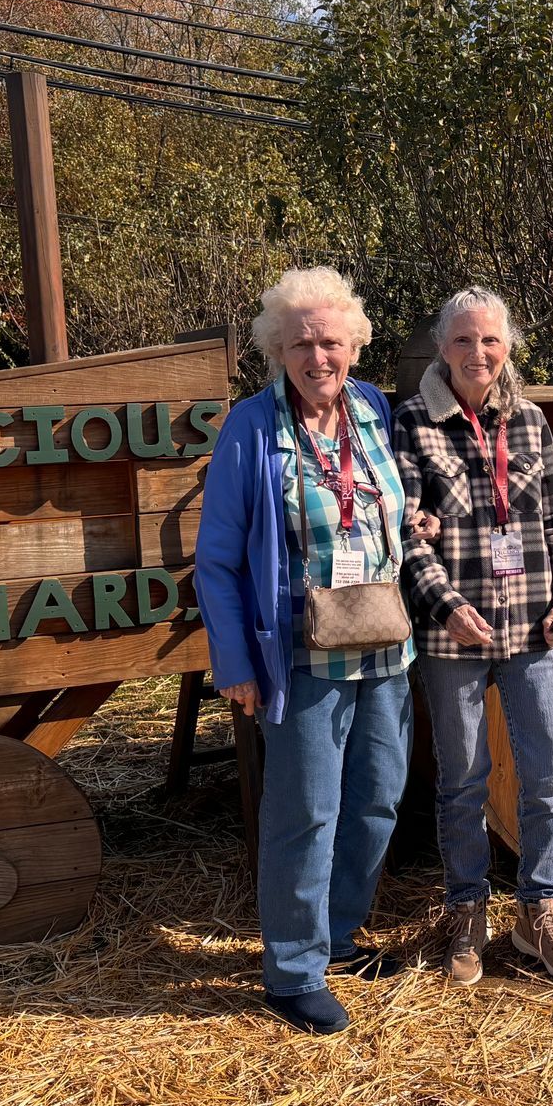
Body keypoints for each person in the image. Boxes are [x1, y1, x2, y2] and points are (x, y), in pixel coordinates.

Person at [196, 267, 412, 1035]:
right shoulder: (252, 429)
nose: (318, 358)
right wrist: (237, 666)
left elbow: (387, 501)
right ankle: (292, 970)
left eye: (330, 341)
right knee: (306, 813)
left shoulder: (375, 410)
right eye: (300, 345)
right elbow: (217, 561)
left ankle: (341, 936)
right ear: (277, 352)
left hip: (384, 645)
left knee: (379, 797)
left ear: (354, 343)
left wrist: (408, 526)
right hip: (299, 656)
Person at [394, 287, 553, 987]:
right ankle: (467, 909)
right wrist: (444, 605)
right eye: (462, 341)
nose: (477, 354)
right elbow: (403, 531)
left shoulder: (532, 422)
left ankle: (539, 909)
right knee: (463, 782)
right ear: (441, 346)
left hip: (533, 631)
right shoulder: (414, 422)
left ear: (508, 347)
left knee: (546, 776)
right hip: (456, 639)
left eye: (490, 341)